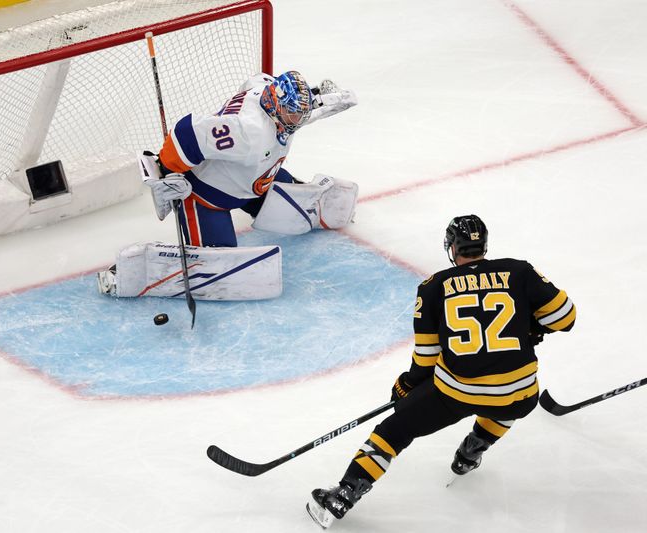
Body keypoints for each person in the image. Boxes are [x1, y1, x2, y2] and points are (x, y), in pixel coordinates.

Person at [306, 214, 577, 529]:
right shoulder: (520, 271)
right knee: (506, 398)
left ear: (451, 247)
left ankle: (345, 493)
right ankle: (472, 450)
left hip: (457, 393)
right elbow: (565, 319)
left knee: (393, 431)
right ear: (484, 245)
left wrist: (407, 386)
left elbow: (426, 356)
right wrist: (531, 324)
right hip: (521, 393)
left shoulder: (433, 287)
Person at [97, 71, 360, 300]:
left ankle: (277, 200)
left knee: (289, 192)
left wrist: (320, 96)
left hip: (256, 181)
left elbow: (261, 85)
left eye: (299, 114)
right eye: (292, 114)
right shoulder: (249, 130)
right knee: (216, 266)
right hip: (208, 198)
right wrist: (167, 171)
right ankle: (132, 274)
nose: (297, 121)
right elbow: (187, 132)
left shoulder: (269, 92)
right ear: (273, 104)